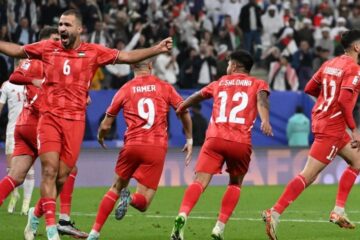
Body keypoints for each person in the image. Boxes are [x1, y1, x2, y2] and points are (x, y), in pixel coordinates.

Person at [0, 9, 173, 240]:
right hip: (49, 119)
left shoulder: (93, 52)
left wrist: (157, 49)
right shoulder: (47, 48)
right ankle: (52, 230)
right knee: (49, 170)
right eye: (60, 24)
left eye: (67, 25)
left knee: (63, 177)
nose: (62, 28)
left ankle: (37, 213)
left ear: (79, 29)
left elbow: (125, 56)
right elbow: (18, 50)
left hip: (74, 122)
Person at [263, 29, 360, 240]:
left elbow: (309, 87)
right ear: (357, 47)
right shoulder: (353, 68)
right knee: (309, 175)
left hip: (324, 120)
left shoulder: (330, 64)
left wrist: (327, 101)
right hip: (332, 127)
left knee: (357, 161)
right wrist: (354, 129)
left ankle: (339, 211)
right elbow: (344, 101)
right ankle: (275, 212)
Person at [170, 50, 273, 240]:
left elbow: (197, 96)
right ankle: (219, 227)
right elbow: (262, 101)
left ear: (234, 66)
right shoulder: (258, 83)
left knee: (199, 182)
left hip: (214, 139)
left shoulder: (219, 83)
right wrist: (265, 120)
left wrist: (182, 106)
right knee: (235, 183)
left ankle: (182, 215)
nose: (227, 67)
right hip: (240, 142)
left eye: (228, 64)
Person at [87, 59, 193, 240]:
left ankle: (93, 234)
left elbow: (106, 124)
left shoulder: (125, 89)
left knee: (115, 187)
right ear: (150, 66)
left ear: (131, 67)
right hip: (156, 147)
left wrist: (100, 137)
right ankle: (130, 199)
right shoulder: (164, 87)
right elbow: (183, 110)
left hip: (132, 145)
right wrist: (189, 138)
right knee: (143, 203)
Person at [0, 27, 88, 239]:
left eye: (60, 39)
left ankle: (38, 214)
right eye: (55, 38)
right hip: (38, 125)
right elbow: (15, 76)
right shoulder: (39, 58)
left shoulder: (59, 64)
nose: (59, 42)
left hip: (24, 125)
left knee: (16, 176)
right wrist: (33, 81)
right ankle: (60, 221)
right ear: (43, 42)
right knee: (66, 170)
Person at [0, 79, 27, 214]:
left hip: (28, 129)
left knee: (29, 169)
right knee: (12, 169)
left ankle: (26, 205)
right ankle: (14, 195)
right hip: (12, 131)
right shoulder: (7, 85)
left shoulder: (34, 82)